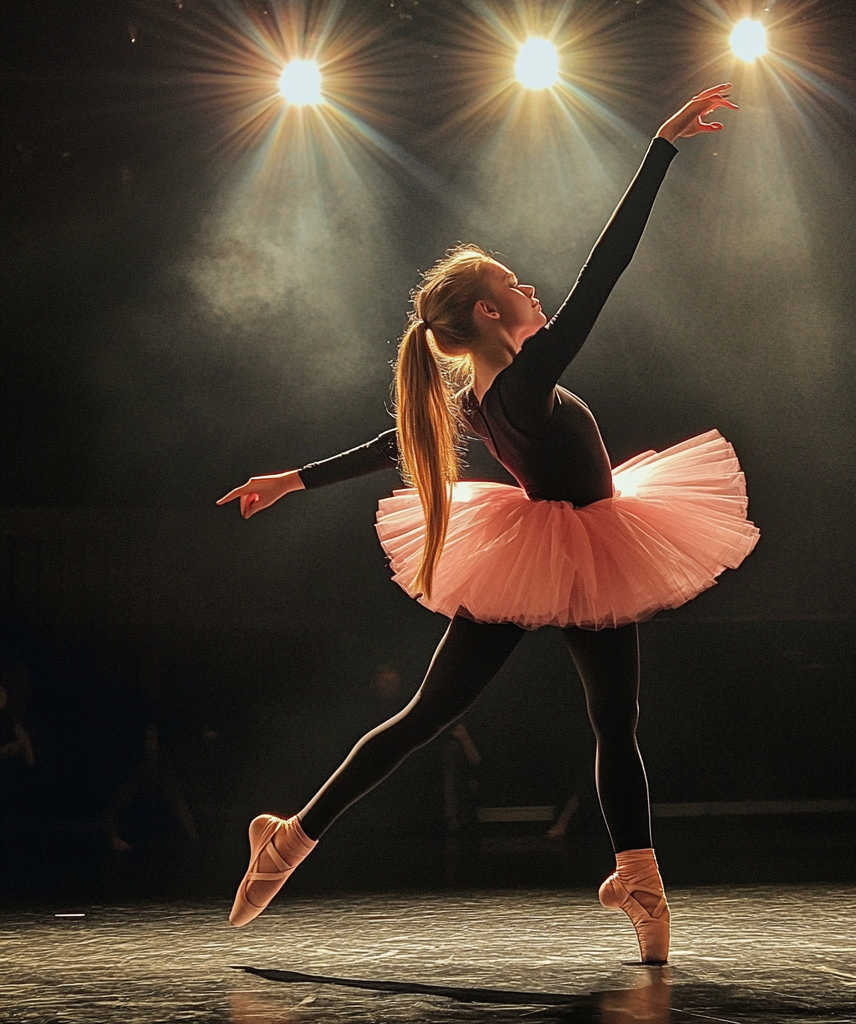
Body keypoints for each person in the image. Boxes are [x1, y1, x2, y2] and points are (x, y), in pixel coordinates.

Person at [218, 83, 758, 963]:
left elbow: (396, 441)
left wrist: (292, 479)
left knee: (446, 716)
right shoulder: (523, 379)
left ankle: (293, 839)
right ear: (487, 315)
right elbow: (603, 273)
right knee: (597, 720)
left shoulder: (479, 397)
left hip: (565, 545)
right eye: (513, 283)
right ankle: (639, 879)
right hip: (574, 546)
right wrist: (660, 146)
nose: (530, 286)